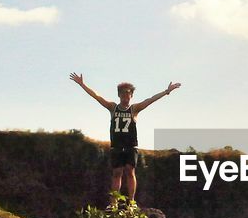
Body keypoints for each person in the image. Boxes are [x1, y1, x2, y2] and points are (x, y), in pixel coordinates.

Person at [69, 72, 181, 201]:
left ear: (131, 95)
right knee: (117, 173)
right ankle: (114, 202)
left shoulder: (134, 109)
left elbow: (150, 100)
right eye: (122, 93)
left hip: (130, 145)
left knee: (129, 170)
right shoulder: (113, 107)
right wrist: (83, 85)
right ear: (119, 95)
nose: (125, 95)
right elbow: (97, 96)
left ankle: (131, 200)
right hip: (117, 145)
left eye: (128, 93)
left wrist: (166, 91)